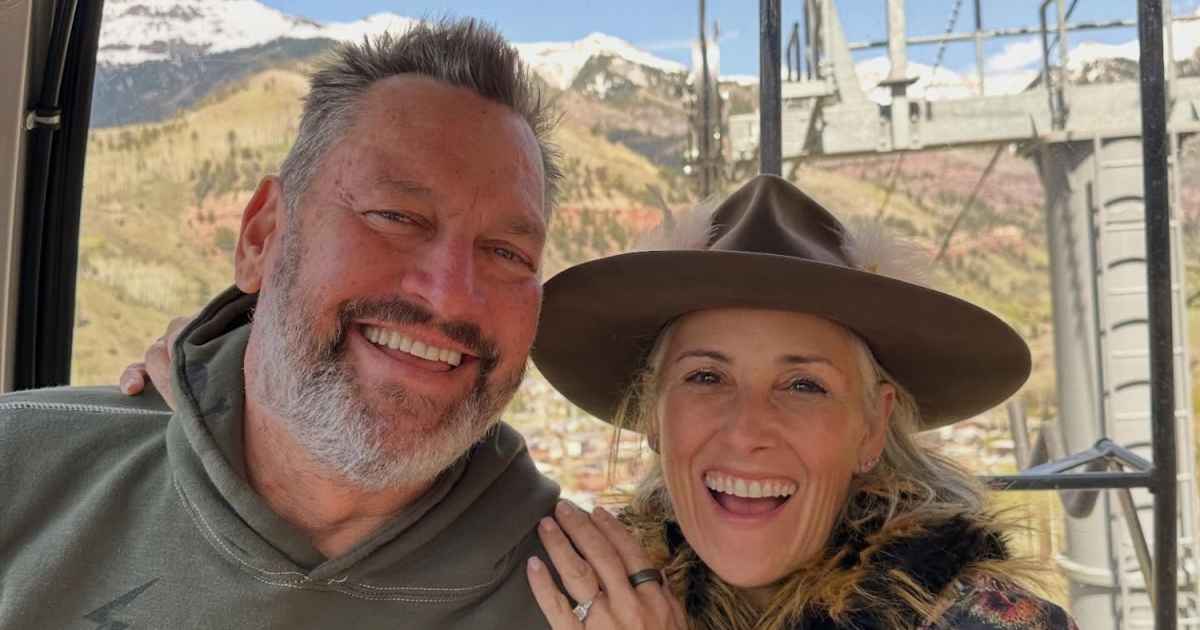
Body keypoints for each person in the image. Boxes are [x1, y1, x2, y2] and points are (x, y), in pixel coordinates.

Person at [0, 19, 566, 629]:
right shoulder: (20, 473)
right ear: (261, 237)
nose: (451, 296)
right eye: (396, 216)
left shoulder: (585, 600)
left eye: (507, 253)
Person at [522, 175, 1080, 629]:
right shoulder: (577, 599)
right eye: (707, 377)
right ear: (653, 414)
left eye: (803, 386)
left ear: (871, 426)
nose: (746, 432)